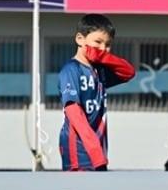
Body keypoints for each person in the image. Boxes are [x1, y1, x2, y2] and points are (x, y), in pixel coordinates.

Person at [58, 14, 135, 171]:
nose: (102, 48)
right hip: (78, 149)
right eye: (97, 42)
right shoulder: (71, 70)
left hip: (98, 149)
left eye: (107, 45)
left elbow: (128, 72)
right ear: (80, 39)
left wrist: (104, 58)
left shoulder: (99, 70)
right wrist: (95, 152)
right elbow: (74, 112)